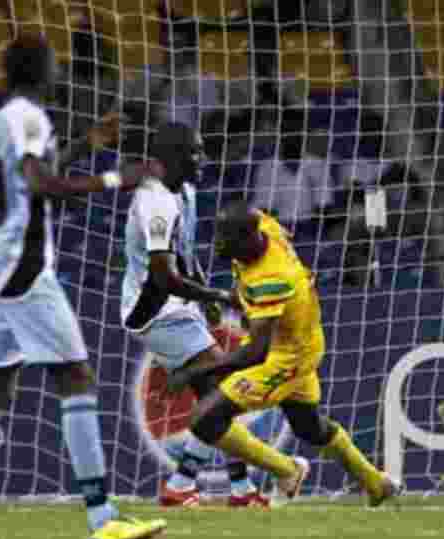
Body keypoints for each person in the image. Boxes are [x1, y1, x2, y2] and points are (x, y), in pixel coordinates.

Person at [0, 34, 166, 539]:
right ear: (40, 71)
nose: (60, 72)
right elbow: (39, 185)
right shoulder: (31, 118)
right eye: (55, 65)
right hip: (24, 267)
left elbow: (26, 177)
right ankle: (103, 517)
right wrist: (113, 179)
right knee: (76, 377)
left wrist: (86, 144)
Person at [165, 201, 401, 506]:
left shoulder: (272, 278)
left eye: (228, 238)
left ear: (249, 238)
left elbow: (254, 353)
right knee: (310, 427)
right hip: (298, 338)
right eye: (218, 235)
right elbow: (268, 228)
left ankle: (287, 470)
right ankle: (376, 483)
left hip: (286, 355)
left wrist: (190, 373)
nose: (219, 244)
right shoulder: (263, 227)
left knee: (204, 418)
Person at [120, 122, 274, 509]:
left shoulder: (185, 193)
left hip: (178, 306)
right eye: (195, 152)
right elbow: (163, 275)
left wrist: (207, 298)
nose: (202, 159)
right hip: (155, 309)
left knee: (220, 394)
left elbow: (185, 257)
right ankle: (186, 483)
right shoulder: (155, 202)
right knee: (224, 392)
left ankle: (230, 489)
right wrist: (220, 295)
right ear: (171, 158)